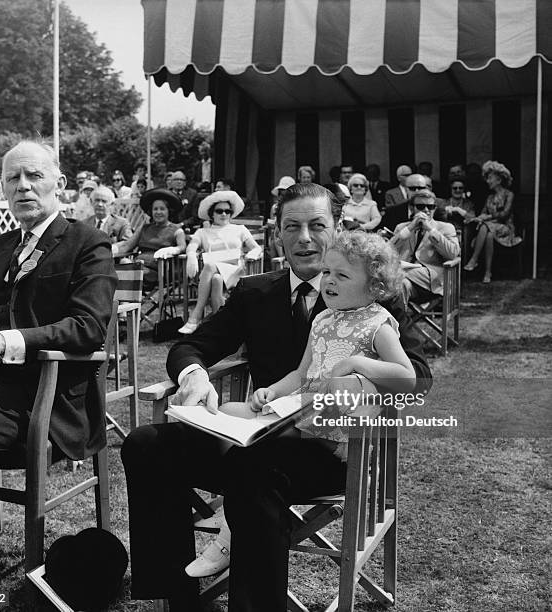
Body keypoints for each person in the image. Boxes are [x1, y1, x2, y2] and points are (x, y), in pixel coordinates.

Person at [121, 183, 432, 611]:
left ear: (337, 227)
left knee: (253, 471)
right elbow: (191, 346)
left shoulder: (374, 293)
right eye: (292, 227)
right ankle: (178, 596)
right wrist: (194, 375)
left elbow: (418, 373)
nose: (304, 237)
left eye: (317, 225)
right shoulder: (255, 292)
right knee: (146, 444)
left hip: (338, 449)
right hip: (257, 432)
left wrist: (361, 379)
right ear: (277, 235)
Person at [185, 231, 415, 578]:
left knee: (252, 451)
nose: (329, 282)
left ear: (375, 288)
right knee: (228, 413)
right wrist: (272, 392)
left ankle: (229, 538)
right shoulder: (322, 320)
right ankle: (238, 504)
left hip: (339, 438)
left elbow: (407, 377)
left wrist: (358, 365)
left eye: (343, 275)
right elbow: (300, 373)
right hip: (301, 414)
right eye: (327, 272)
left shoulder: (377, 324)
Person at [0, 140, 117, 590]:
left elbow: (87, 327)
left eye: (33, 176)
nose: (23, 186)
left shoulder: (87, 243)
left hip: (32, 396)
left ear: (58, 183)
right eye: (12, 178)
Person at [178, 191, 261, 334]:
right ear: (212, 214)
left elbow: (256, 247)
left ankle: (196, 315)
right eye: (219, 211)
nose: (224, 214)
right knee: (216, 279)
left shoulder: (239, 229)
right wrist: (191, 255)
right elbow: (192, 246)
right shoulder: (203, 232)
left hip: (236, 273)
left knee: (210, 266)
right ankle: (220, 328)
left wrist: (252, 255)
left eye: (228, 211)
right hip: (212, 276)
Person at [391, 189, 460, 306]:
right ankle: (401, 323)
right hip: (406, 280)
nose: (426, 210)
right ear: (412, 208)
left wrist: (430, 230)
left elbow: (452, 253)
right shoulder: (402, 228)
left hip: (431, 281)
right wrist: (411, 227)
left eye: (430, 207)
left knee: (388, 276)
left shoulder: (446, 228)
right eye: (421, 206)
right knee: (401, 286)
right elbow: (388, 251)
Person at [113, 188, 186, 286]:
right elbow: (127, 245)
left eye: (162, 209)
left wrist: (172, 250)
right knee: (124, 262)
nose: (158, 212)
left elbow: (182, 247)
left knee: (127, 269)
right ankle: (126, 299)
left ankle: (125, 299)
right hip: (138, 266)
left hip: (159, 271)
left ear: (169, 211)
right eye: (155, 209)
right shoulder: (144, 228)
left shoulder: (177, 230)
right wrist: (111, 250)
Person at [464, 161, 522, 283]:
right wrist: (478, 218)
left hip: (506, 228)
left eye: (490, 178)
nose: (487, 181)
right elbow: (483, 212)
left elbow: (504, 214)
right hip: (491, 229)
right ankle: (487, 272)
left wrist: (488, 217)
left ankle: (474, 259)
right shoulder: (489, 197)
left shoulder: (509, 194)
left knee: (486, 226)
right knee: (489, 235)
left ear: (499, 180)